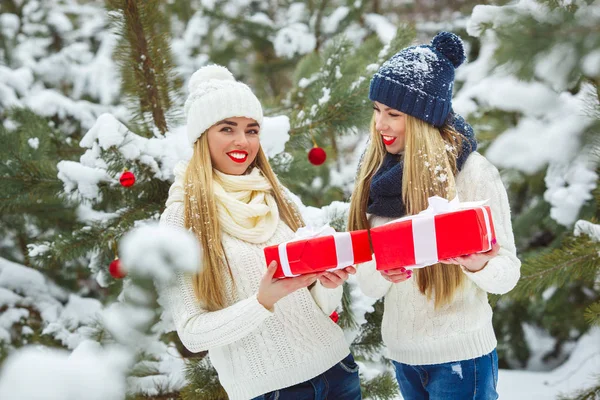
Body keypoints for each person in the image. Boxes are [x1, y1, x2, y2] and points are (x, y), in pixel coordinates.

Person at [159, 65, 361, 400]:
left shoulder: (278, 198)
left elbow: (317, 305)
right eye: (227, 128)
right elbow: (192, 333)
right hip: (269, 390)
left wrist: (327, 284)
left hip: (336, 370)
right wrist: (262, 302)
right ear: (201, 136)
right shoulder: (182, 218)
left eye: (251, 130)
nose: (242, 141)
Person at [348, 32, 521, 399]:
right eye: (377, 110)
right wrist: (382, 270)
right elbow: (367, 284)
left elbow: (507, 274)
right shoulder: (375, 175)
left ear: (423, 118)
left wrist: (476, 265)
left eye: (394, 114)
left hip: (462, 358)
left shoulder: (473, 173)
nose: (380, 125)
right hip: (403, 356)